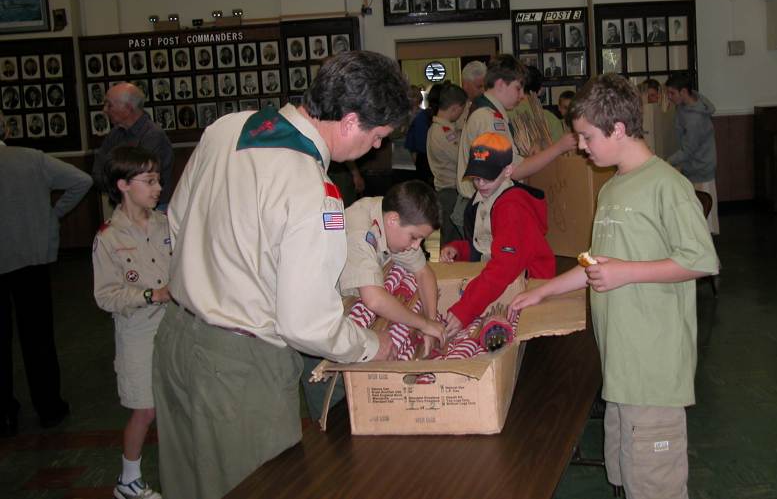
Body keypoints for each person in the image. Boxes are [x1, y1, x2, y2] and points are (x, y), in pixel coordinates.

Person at [152, 50, 410, 499]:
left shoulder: (228, 127)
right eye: (378, 136)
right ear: (350, 122)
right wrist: (371, 345)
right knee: (255, 486)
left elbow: (176, 219)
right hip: (239, 368)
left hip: (175, 337)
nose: (376, 148)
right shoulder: (316, 192)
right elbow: (305, 324)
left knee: (186, 484)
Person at [510, 73, 719, 499]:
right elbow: (596, 261)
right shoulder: (613, 187)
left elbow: (701, 260)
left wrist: (626, 272)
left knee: (654, 482)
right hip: (621, 365)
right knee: (626, 471)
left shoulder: (667, 185)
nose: (582, 146)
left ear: (618, 129)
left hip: (653, 370)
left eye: (586, 136)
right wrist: (543, 290)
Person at [302, 180, 445, 419]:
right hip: (318, 327)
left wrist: (430, 322)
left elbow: (423, 273)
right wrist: (423, 324)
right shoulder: (361, 230)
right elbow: (374, 299)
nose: (416, 246)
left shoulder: (395, 219)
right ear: (392, 220)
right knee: (337, 412)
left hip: (348, 321)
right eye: (414, 238)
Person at [0, 117, 92, 436]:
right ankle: (49, 407)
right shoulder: (31, 158)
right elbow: (82, 180)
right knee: (37, 335)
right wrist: (52, 216)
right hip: (31, 257)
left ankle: (5, 414)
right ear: (5, 131)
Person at [92, 147, 171, 499]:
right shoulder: (109, 238)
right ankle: (128, 480)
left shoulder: (166, 224)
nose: (158, 188)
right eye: (149, 181)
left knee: (174, 403)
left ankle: (179, 472)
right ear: (123, 184)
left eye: (158, 180)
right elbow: (105, 296)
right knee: (145, 409)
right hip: (138, 333)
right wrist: (150, 295)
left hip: (174, 328)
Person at [441, 133, 554, 335]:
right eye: (476, 178)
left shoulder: (511, 208)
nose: (481, 183)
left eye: (488, 177)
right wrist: (459, 249)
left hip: (529, 287)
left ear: (508, 171)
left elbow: (505, 266)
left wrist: (466, 309)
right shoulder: (486, 197)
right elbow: (486, 246)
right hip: (503, 278)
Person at [456, 55, 576, 204]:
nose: (521, 96)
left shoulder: (489, 113)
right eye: (518, 88)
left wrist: (527, 158)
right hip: (479, 204)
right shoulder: (489, 119)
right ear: (500, 84)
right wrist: (559, 147)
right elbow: (514, 171)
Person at [92, 82, 175, 208]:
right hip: (124, 208)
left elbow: (140, 178)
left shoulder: (153, 135)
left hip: (153, 210)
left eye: (109, 105)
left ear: (128, 108)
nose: (104, 110)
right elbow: (97, 172)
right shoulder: (115, 134)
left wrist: (117, 180)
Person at [666, 74, 719, 234]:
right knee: (697, 217)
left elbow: (688, 150)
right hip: (696, 165)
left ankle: (707, 255)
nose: (669, 97)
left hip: (700, 168)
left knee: (702, 220)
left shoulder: (695, 119)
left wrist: (666, 162)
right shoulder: (689, 102)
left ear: (683, 92)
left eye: (672, 93)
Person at [426, 83, 467, 245]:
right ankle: (452, 271)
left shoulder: (440, 129)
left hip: (449, 192)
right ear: (456, 108)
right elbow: (462, 157)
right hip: (449, 193)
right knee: (452, 240)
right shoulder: (444, 132)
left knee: (453, 238)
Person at [404, 84, 440, 184]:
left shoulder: (419, 116)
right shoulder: (421, 115)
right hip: (414, 159)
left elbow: (420, 141)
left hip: (412, 159)